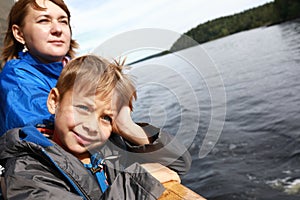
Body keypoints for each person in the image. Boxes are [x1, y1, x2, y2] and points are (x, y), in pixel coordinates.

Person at [0, 55, 191, 199]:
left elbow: (180, 162)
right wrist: (140, 180)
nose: (92, 126)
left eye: (105, 117)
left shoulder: (108, 145)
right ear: (54, 101)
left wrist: (127, 126)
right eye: (83, 108)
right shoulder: (26, 173)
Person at [0, 0, 78, 135]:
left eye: (63, 21)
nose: (57, 29)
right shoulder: (17, 78)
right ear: (19, 34)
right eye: (43, 21)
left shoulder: (77, 70)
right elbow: (48, 137)